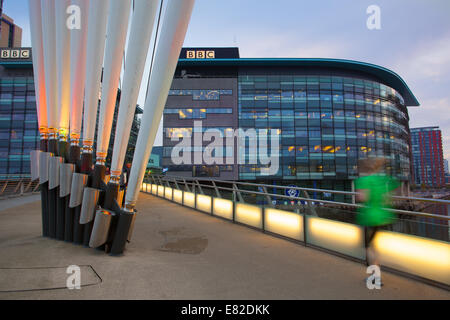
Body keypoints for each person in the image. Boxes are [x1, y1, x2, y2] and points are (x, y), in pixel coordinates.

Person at [355, 158, 399, 285]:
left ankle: (376, 276)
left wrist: (361, 194)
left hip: (369, 217)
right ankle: (376, 273)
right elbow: (394, 190)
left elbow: (362, 197)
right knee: (373, 246)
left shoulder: (363, 181)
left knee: (368, 247)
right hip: (384, 216)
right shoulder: (383, 179)